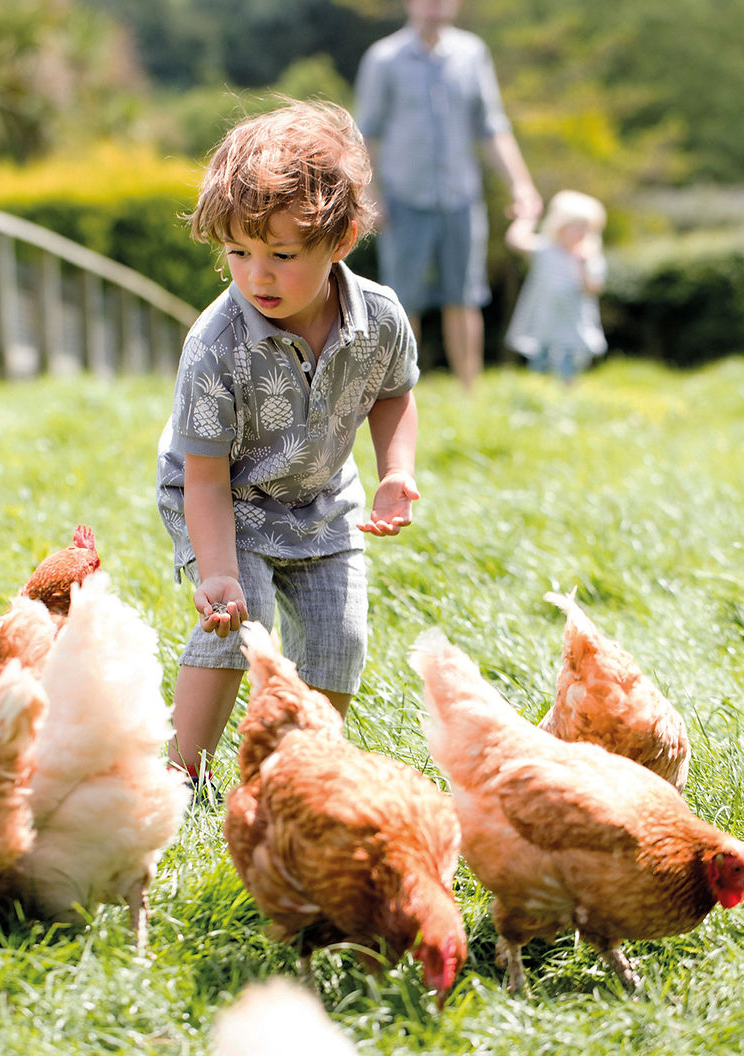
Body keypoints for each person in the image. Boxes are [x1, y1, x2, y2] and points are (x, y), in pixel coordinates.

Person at [156, 99, 420, 794]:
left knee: (341, 641)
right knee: (243, 625)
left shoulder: (381, 318)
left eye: (280, 255)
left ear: (342, 240)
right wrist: (217, 574)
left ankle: (298, 776)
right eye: (237, 253)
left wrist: (396, 469)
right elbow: (206, 478)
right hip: (228, 500)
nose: (256, 276)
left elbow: (393, 393)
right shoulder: (215, 347)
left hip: (323, 499)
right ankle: (181, 772)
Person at [354, 0, 541, 390]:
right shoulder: (384, 58)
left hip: (461, 198)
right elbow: (364, 134)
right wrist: (370, 196)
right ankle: (402, 396)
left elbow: (492, 128)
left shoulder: (472, 53)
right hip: (404, 200)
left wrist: (521, 186)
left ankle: (468, 393)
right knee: (401, 305)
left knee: (465, 298)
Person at [503, 189, 608, 382]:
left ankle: (564, 401)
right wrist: (527, 217)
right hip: (544, 324)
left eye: (586, 228)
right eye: (577, 227)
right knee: (540, 367)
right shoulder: (546, 250)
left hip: (572, 327)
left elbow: (594, 289)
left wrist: (583, 266)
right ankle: (541, 402)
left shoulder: (589, 258)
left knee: (568, 369)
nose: (582, 233)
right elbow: (516, 242)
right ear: (560, 227)